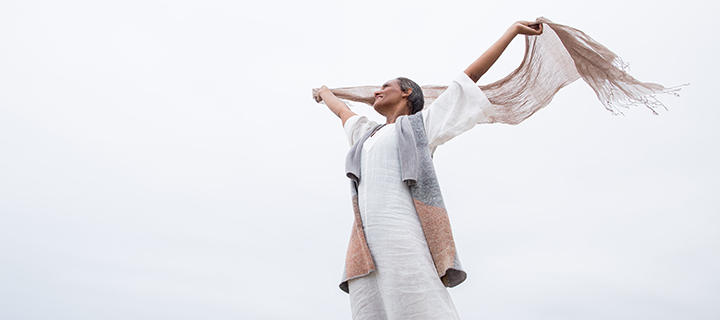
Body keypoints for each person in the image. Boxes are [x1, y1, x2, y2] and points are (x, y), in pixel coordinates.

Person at [314, 21, 542, 320]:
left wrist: (512, 31)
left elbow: (469, 78)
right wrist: (324, 92)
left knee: (421, 307)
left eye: (386, 86)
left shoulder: (422, 127)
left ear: (407, 92)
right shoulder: (364, 134)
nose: (378, 91)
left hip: (401, 231)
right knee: (370, 311)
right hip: (363, 245)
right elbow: (342, 110)